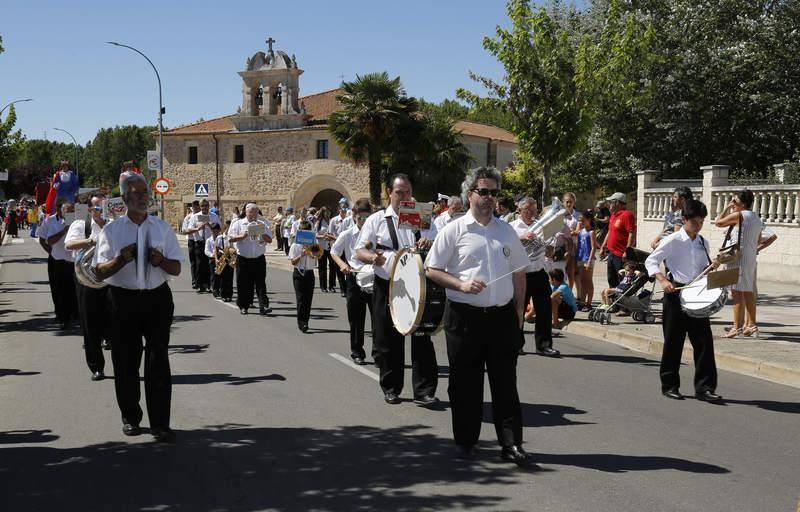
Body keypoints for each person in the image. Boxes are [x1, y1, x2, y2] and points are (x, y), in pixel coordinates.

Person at [425, 166, 532, 466]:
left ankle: (511, 443)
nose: (489, 198)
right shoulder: (454, 230)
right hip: (464, 318)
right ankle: (466, 442)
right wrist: (460, 284)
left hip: (501, 319)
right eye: (483, 191)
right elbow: (431, 269)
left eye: (494, 193)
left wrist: (519, 317)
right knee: (464, 383)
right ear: (470, 194)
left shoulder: (506, 230)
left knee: (505, 384)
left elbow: (519, 275)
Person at [95, 172, 183, 441]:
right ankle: (131, 417)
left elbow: (177, 268)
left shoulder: (162, 228)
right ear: (124, 198)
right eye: (137, 192)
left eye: (145, 192)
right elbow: (99, 272)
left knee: (158, 361)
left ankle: (160, 424)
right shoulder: (112, 231)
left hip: (157, 298)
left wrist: (161, 261)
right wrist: (121, 259)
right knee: (125, 361)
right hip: (123, 300)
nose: (144, 197)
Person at [355, 173, 438, 406]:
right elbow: (359, 251)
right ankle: (391, 387)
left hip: (419, 284)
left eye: (408, 192)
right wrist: (374, 258)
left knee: (422, 338)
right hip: (388, 284)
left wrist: (428, 242)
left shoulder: (422, 215)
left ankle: (424, 390)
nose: (404, 196)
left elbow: (438, 244)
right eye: (399, 192)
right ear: (389, 193)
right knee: (388, 340)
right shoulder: (377, 220)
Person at [645, 199, 721, 402]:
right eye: (695, 221)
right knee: (673, 342)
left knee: (704, 342)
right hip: (675, 294)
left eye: (702, 221)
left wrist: (712, 267)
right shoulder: (673, 240)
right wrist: (662, 280)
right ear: (685, 219)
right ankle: (669, 385)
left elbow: (701, 269)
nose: (699, 225)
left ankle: (704, 388)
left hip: (696, 296)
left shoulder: (703, 242)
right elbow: (651, 260)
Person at [715, 190, 776, 339]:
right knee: (748, 292)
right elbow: (760, 239)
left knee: (736, 293)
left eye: (734, 201)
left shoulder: (739, 215)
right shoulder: (756, 217)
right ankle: (751, 325)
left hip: (738, 259)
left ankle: (736, 327)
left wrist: (727, 208)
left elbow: (718, 222)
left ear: (742, 203)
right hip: (749, 259)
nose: (733, 203)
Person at [65, 192, 112, 381]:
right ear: (91, 209)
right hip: (86, 279)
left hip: (111, 279)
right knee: (90, 325)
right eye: (98, 208)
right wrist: (90, 241)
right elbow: (69, 244)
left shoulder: (115, 224)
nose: (102, 211)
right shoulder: (81, 224)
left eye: (105, 207)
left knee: (116, 321)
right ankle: (97, 367)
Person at [510, 197, 559, 356]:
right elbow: (504, 246)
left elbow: (550, 252)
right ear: (520, 210)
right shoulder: (512, 227)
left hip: (539, 272)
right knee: (518, 309)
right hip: (520, 274)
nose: (531, 213)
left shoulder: (541, 226)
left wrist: (551, 243)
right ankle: (516, 343)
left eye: (534, 210)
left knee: (544, 309)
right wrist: (521, 238)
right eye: (528, 210)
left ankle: (544, 345)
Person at [330, 198, 373, 364]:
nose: (363, 221)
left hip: (373, 278)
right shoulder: (347, 234)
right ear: (354, 216)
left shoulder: (375, 234)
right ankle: (357, 352)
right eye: (361, 218)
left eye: (367, 218)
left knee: (377, 317)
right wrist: (343, 265)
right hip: (354, 278)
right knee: (356, 318)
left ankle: (378, 353)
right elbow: (334, 252)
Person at [228, 203, 273, 315]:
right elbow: (231, 238)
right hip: (243, 258)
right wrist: (243, 236)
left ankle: (263, 306)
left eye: (255, 212)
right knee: (243, 284)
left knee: (261, 284)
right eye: (250, 212)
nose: (253, 214)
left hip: (258, 258)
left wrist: (261, 234)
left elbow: (270, 239)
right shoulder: (238, 223)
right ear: (246, 212)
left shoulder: (262, 224)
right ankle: (244, 306)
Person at [39, 198, 78, 329]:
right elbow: (45, 240)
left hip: (72, 260)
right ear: (60, 210)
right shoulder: (50, 221)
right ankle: (62, 316)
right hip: (57, 260)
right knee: (58, 289)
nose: (70, 213)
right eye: (67, 211)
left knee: (73, 289)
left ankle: (74, 315)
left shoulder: (76, 222)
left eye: (72, 211)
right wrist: (51, 252)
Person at [599, 192, 636, 288]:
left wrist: (627, 251)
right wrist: (603, 247)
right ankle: (612, 300)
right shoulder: (613, 215)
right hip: (611, 253)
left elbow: (631, 233)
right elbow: (609, 232)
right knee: (611, 279)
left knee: (621, 280)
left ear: (617, 203)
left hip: (621, 255)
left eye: (611, 202)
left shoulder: (627, 215)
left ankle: (621, 301)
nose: (609, 205)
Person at [185, 199, 221, 294]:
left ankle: (209, 285)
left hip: (210, 242)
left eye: (206, 205)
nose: (204, 207)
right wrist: (197, 228)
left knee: (210, 265)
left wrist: (210, 226)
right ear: (200, 207)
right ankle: (200, 285)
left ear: (208, 206)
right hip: (199, 242)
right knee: (200, 264)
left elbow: (219, 229)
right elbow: (188, 230)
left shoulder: (214, 216)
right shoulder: (195, 217)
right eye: (202, 206)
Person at [288, 220, 317, 332]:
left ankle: (306, 321)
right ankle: (302, 323)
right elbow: (293, 262)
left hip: (309, 273)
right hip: (298, 273)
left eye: (308, 231)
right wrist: (302, 254)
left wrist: (311, 251)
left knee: (308, 299)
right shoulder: (295, 245)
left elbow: (316, 257)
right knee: (300, 299)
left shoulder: (314, 245)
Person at [575, 210, 598, 311]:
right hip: (580, 258)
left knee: (588, 281)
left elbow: (593, 247)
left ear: (588, 220)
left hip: (588, 258)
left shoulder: (591, 232)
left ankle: (589, 303)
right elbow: (579, 245)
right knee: (582, 281)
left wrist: (589, 261)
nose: (581, 222)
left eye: (583, 220)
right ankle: (582, 301)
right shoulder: (580, 231)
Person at [329, 205, 351, 296]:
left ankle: (349, 287)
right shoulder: (334, 220)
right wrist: (338, 238)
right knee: (340, 269)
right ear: (338, 210)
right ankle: (343, 289)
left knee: (349, 267)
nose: (343, 210)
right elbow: (329, 234)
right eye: (342, 208)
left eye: (345, 208)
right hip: (338, 246)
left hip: (348, 247)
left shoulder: (349, 220)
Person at [314, 207, 338, 293]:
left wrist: (331, 236)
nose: (327, 214)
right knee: (322, 267)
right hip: (321, 247)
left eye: (328, 212)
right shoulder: (319, 223)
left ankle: (331, 285)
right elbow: (315, 235)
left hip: (331, 246)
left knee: (332, 267)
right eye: (325, 212)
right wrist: (324, 236)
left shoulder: (332, 221)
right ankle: (323, 286)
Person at [561, 192, 581, 289]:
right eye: (567, 202)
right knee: (560, 271)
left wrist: (573, 232)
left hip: (573, 245)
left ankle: (569, 292)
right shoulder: (559, 215)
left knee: (571, 271)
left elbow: (581, 231)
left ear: (574, 203)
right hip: (560, 245)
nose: (569, 204)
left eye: (571, 202)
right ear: (563, 202)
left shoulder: (578, 215)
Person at [213, 220, 235, 302]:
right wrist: (216, 258)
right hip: (222, 257)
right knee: (222, 277)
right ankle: (223, 294)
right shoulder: (220, 238)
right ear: (225, 228)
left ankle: (229, 295)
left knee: (230, 277)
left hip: (230, 257)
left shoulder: (232, 238)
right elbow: (216, 248)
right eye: (228, 228)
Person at [181, 202, 200, 289]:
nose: (196, 208)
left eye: (197, 206)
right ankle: (194, 281)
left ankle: (202, 281)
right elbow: (184, 231)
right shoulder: (188, 217)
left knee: (201, 263)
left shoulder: (202, 216)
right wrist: (194, 230)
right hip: (192, 241)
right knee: (194, 262)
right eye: (194, 207)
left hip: (201, 241)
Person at [204, 223, 223, 298]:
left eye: (216, 231)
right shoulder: (209, 240)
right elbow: (206, 250)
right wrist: (213, 255)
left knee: (221, 275)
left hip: (221, 259)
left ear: (219, 231)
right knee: (214, 276)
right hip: (212, 259)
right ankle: (215, 289)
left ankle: (221, 289)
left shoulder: (222, 239)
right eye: (213, 231)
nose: (215, 233)